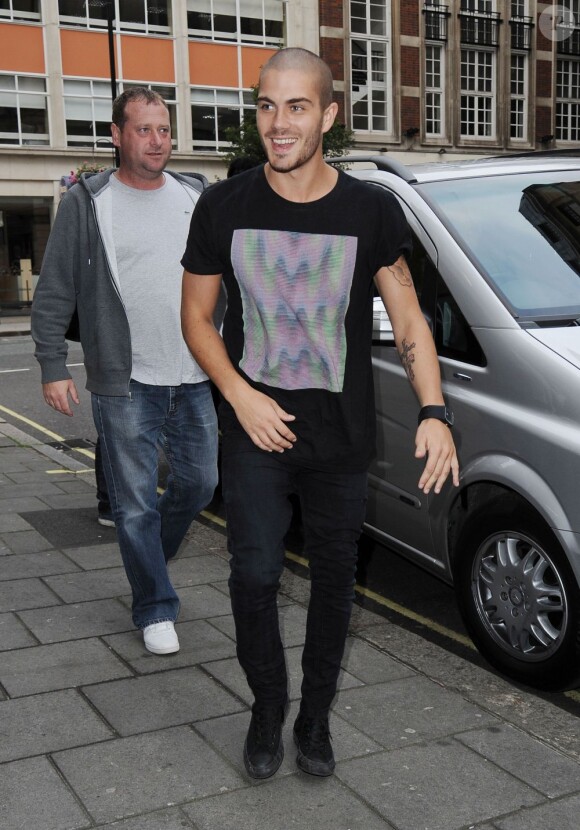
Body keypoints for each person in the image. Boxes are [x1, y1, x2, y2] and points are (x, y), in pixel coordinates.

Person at [180, 48, 459, 779]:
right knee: (252, 577)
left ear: (329, 116)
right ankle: (267, 707)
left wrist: (434, 410)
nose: (278, 123)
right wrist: (241, 396)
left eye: (297, 107)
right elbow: (196, 318)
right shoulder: (223, 206)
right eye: (267, 105)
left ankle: (313, 716)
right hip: (253, 432)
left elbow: (409, 320)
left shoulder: (370, 208)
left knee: (336, 580)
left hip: (339, 436)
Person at [31, 87, 220, 656]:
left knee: (201, 483)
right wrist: (51, 364)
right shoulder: (88, 204)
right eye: (144, 129)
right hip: (126, 379)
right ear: (117, 135)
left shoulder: (195, 195)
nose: (157, 141)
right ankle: (154, 604)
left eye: (164, 130)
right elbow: (55, 288)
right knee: (133, 502)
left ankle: (148, 565)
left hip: (194, 373)